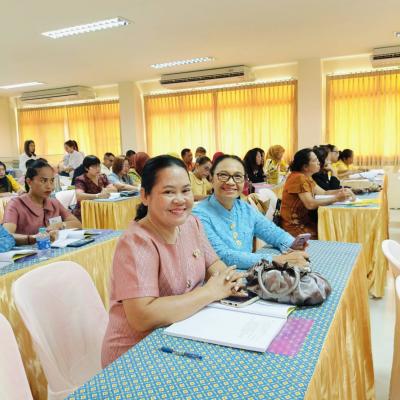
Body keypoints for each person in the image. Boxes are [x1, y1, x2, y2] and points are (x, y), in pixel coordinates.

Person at [101, 155, 245, 367]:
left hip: (183, 333)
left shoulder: (191, 224)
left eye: (185, 190)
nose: (180, 199)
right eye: (169, 192)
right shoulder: (137, 242)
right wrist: (210, 292)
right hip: (136, 354)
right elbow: (142, 316)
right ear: (145, 196)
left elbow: (215, 266)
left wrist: (230, 282)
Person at [192, 154, 309, 270]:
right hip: (223, 278)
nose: (231, 182)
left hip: (251, 273)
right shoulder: (199, 215)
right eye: (223, 175)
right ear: (211, 178)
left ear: (244, 181)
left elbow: (273, 232)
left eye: (238, 176)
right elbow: (223, 256)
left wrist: (293, 244)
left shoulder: (245, 209)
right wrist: (276, 260)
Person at [2, 159, 81, 244]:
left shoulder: (54, 203)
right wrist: (33, 238)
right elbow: (5, 236)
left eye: (51, 181)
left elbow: (77, 224)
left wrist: (59, 225)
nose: (49, 186)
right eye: (43, 181)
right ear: (29, 182)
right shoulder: (15, 204)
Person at [280, 148, 354, 239]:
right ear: (305, 166)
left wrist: (343, 191)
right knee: (331, 235)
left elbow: (324, 192)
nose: (319, 162)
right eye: (315, 160)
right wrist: (336, 198)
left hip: (306, 222)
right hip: (294, 226)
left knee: (333, 232)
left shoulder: (306, 177)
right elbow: (310, 204)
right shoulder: (299, 178)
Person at [73, 156, 117, 220]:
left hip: (100, 209)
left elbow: (114, 189)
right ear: (86, 168)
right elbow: (79, 196)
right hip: (85, 212)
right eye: (94, 167)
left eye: (99, 166)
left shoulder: (102, 177)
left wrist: (106, 190)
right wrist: (98, 196)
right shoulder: (81, 179)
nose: (98, 169)